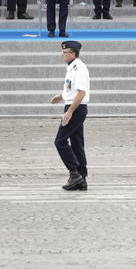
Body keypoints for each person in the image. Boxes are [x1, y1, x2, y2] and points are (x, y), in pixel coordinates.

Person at [50, 40, 89, 191]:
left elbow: (81, 92)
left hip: (76, 108)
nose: (62, 54)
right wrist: (61, 96)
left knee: (60, 141)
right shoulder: (72, 68)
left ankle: (74, 173)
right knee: (77, 143)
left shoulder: (79, 68)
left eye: (64, 52)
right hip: (73, 105)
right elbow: (72, 89)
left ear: (72, 54)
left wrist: (70, 111)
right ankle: (82, 178)